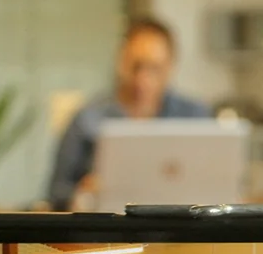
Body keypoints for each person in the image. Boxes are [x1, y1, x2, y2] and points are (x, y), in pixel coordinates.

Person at [46, 16, 212, 211]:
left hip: (179, 226)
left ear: (170, 67)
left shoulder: (195, 117)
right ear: (121, 61)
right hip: (108, 226)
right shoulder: (87, 117)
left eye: (154, 68)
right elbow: (56, 192)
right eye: (136, 66)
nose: (143, 79)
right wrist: (84, 192)